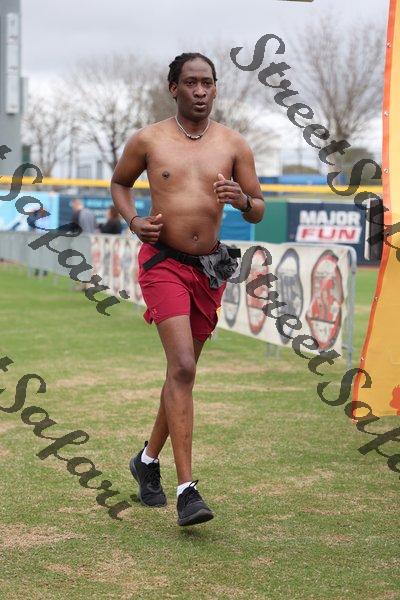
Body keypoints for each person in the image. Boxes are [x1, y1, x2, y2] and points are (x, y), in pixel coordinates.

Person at [111, 52, 265, 527]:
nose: (200, 91)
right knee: (181, 366)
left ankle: (146, 461)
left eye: (208, 83)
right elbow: (119, 184)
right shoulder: (148, 139)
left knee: (184, 373)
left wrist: (242, 199)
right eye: (191, 82)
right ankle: (187, 491)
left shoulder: (233, 144)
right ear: (173, 87)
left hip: (210, 269)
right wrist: (134, 220)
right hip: (163, 263)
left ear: (215, 88)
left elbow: (259, 206)